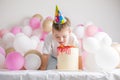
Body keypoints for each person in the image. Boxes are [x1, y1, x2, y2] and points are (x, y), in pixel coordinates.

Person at [40, 5, 83, 70]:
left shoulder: (73, 38)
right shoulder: (49, 36)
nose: (61, 39)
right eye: (57, 36)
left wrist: (80, 69)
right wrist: (43, 69)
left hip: (69, 57)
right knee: (50, 70)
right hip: (54, 57)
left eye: (64, 36)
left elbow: (79, 55)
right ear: (53, 32)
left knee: (69, 72)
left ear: (69, 32)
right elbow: (45, 54)